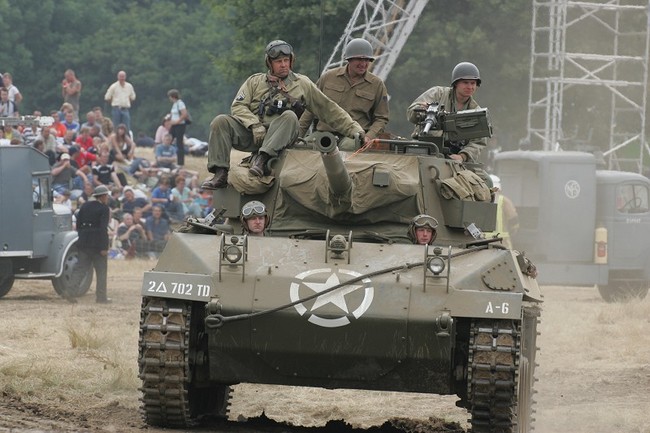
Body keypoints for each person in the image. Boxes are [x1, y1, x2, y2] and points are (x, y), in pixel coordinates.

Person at [201, 39, 365, 190]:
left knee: (289, 115)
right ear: (269, 63)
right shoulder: (254, 82)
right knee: (220, 121)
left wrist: (355, 130)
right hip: (254, 134)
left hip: (282, 136)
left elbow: (329, 109)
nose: (283, 65)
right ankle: (220, 173)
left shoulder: (302, 84)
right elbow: (238, 106)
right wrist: (254, 124)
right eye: (279, 62)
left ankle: (262, 159)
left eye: (286, 61)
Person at [299, 38, 389, 149]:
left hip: (354, 136)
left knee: (347, 149)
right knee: (303, 148)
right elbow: (311, 108)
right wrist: (297, 137)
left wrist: (369, 137)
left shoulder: (377, 85)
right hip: (324, 133)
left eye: (367, 60)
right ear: (349, 59)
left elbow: (381, 118)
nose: (363, 64)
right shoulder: (328, 77)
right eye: (359, 59)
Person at [406, 62, 485, 163]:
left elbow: (478, 141)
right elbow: (411, 112)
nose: (470, 87)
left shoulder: (476, 111)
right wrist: (422, 111)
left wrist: (462, 156)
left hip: (454, 158)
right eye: (465, 82)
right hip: (425, 149)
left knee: (484, 178)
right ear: (456, 83)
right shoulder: (437, 94)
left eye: (473, 83)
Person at [71, 185, 111, 303]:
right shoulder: (104, 209)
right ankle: (101, 297)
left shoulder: (85, 206)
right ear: (103, 196)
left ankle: (70, 291)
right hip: (97, 244)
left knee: (80, 269)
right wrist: (104, 247)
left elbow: (78, 224)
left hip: (83, 242)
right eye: (106, 196)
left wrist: (83, 236)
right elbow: (103, 228)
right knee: (101, 272)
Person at [484, 175, 519, 249]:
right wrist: (511, 232)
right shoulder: (504, 201)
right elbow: (514, 221)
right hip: (501, 242)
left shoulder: (480, 200)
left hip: (483, 242)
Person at [167, 89, 190, 167]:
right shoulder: (174, 104)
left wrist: (176, 121)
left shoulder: (180, 103)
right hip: (174, 125)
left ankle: (180, 163)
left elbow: (184, 114)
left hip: (180, 125)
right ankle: (168, 157)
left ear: (173, 96)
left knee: (179, 143)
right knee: (168, 138)